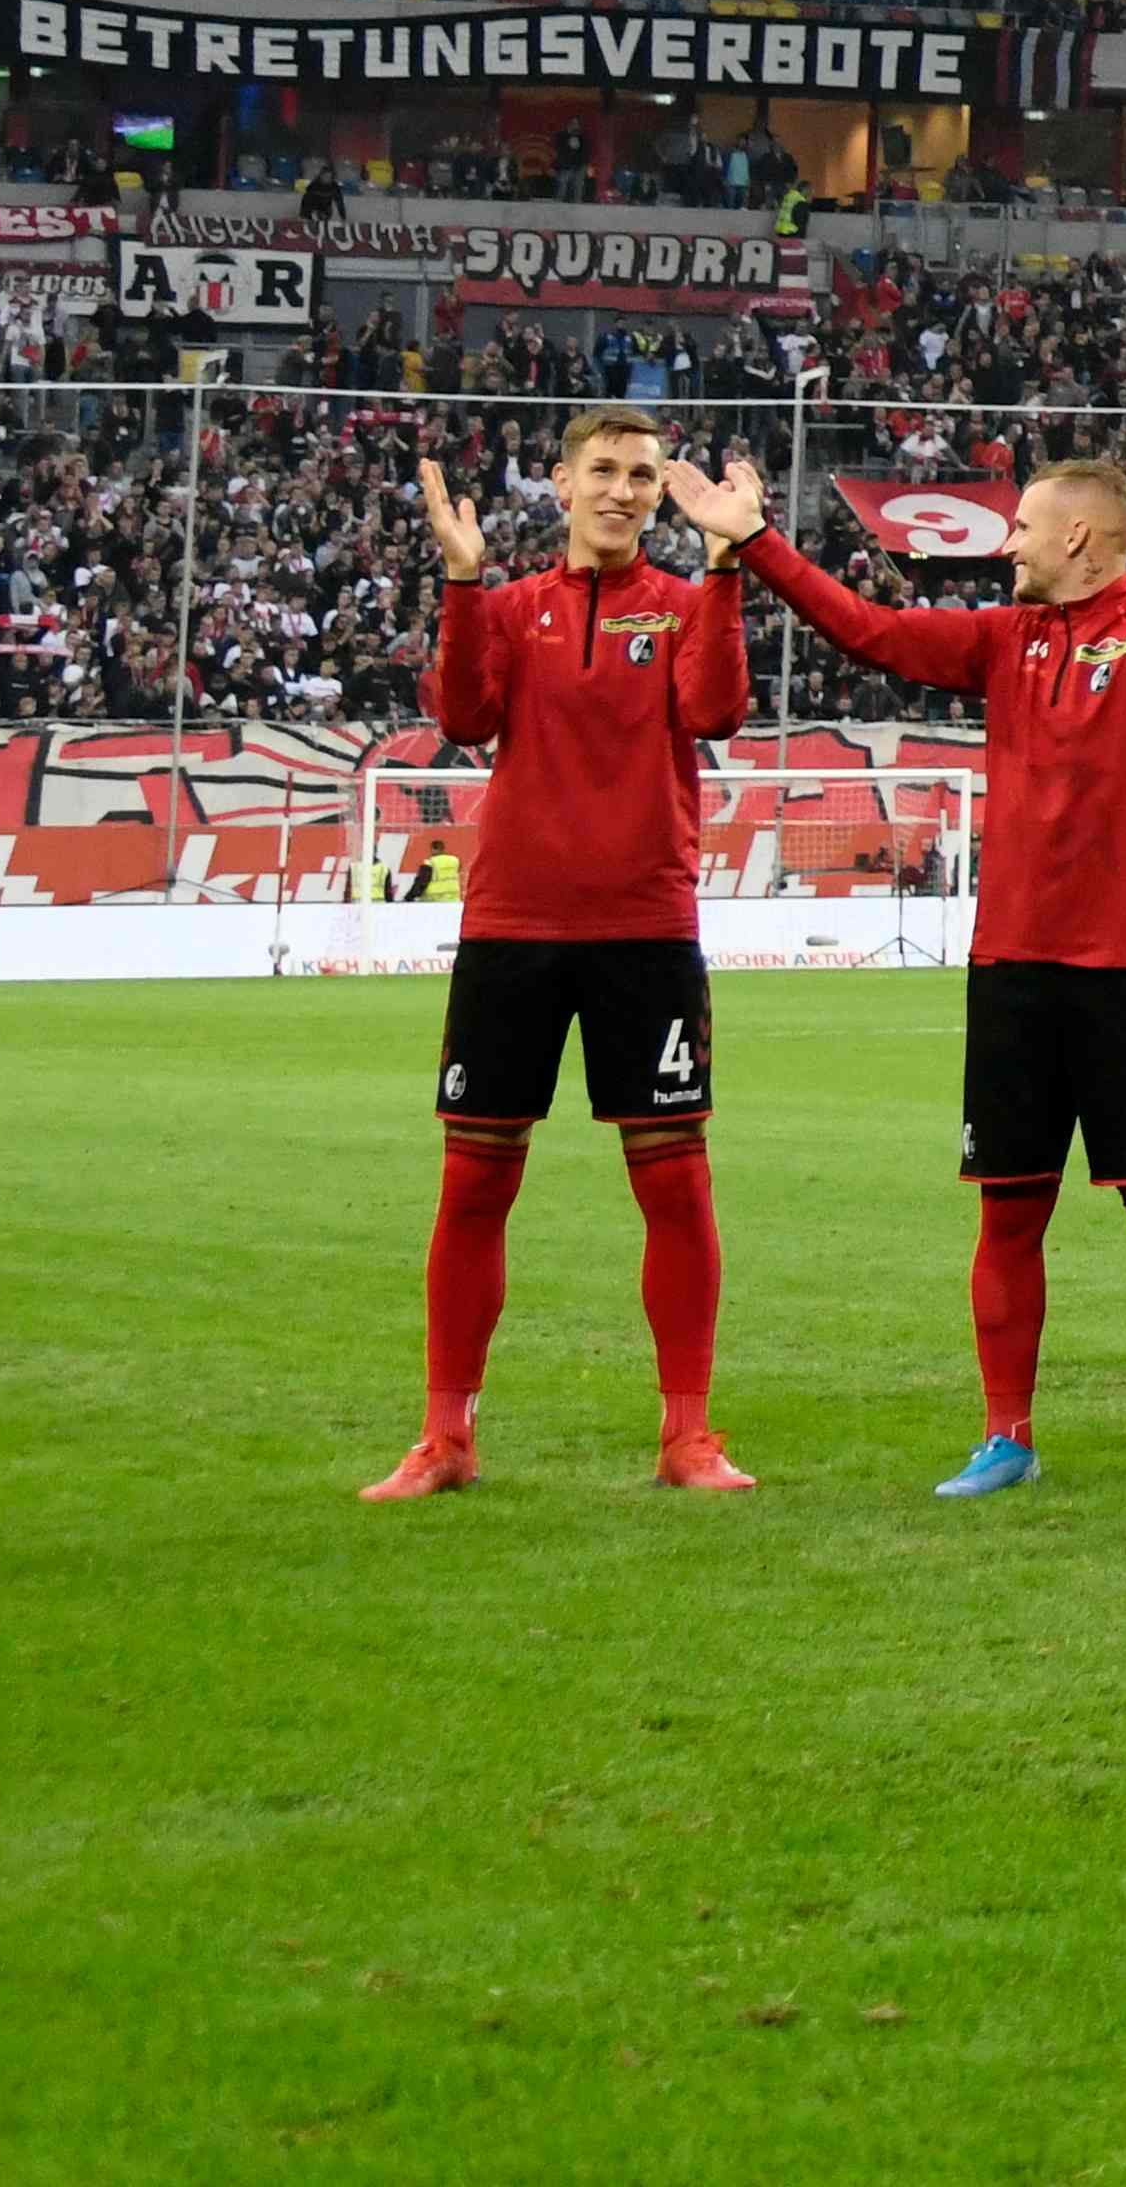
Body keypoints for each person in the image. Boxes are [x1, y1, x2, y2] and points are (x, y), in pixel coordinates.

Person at [705, 426, 1126, 1495]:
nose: (1007, 543)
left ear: (1081, 536)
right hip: (1015, 969)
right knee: (1009, 1207)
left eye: (1021, 526)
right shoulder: (1001, 639)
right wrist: (757, 545)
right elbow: (873, 634)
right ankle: (1006, 1438)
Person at [371, 412, 758, 1501]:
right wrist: (458, 583)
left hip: (646, 928)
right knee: (474, 1186)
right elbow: (463, 712)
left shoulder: (685, 607)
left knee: (675, 1183)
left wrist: (726, 566)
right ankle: (446, 1436)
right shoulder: (504, 606)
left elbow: (718, 710)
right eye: (604, 470)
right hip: (514, 930)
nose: (625, 490)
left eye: (643, 475)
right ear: (561, 484)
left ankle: (688, 1437)